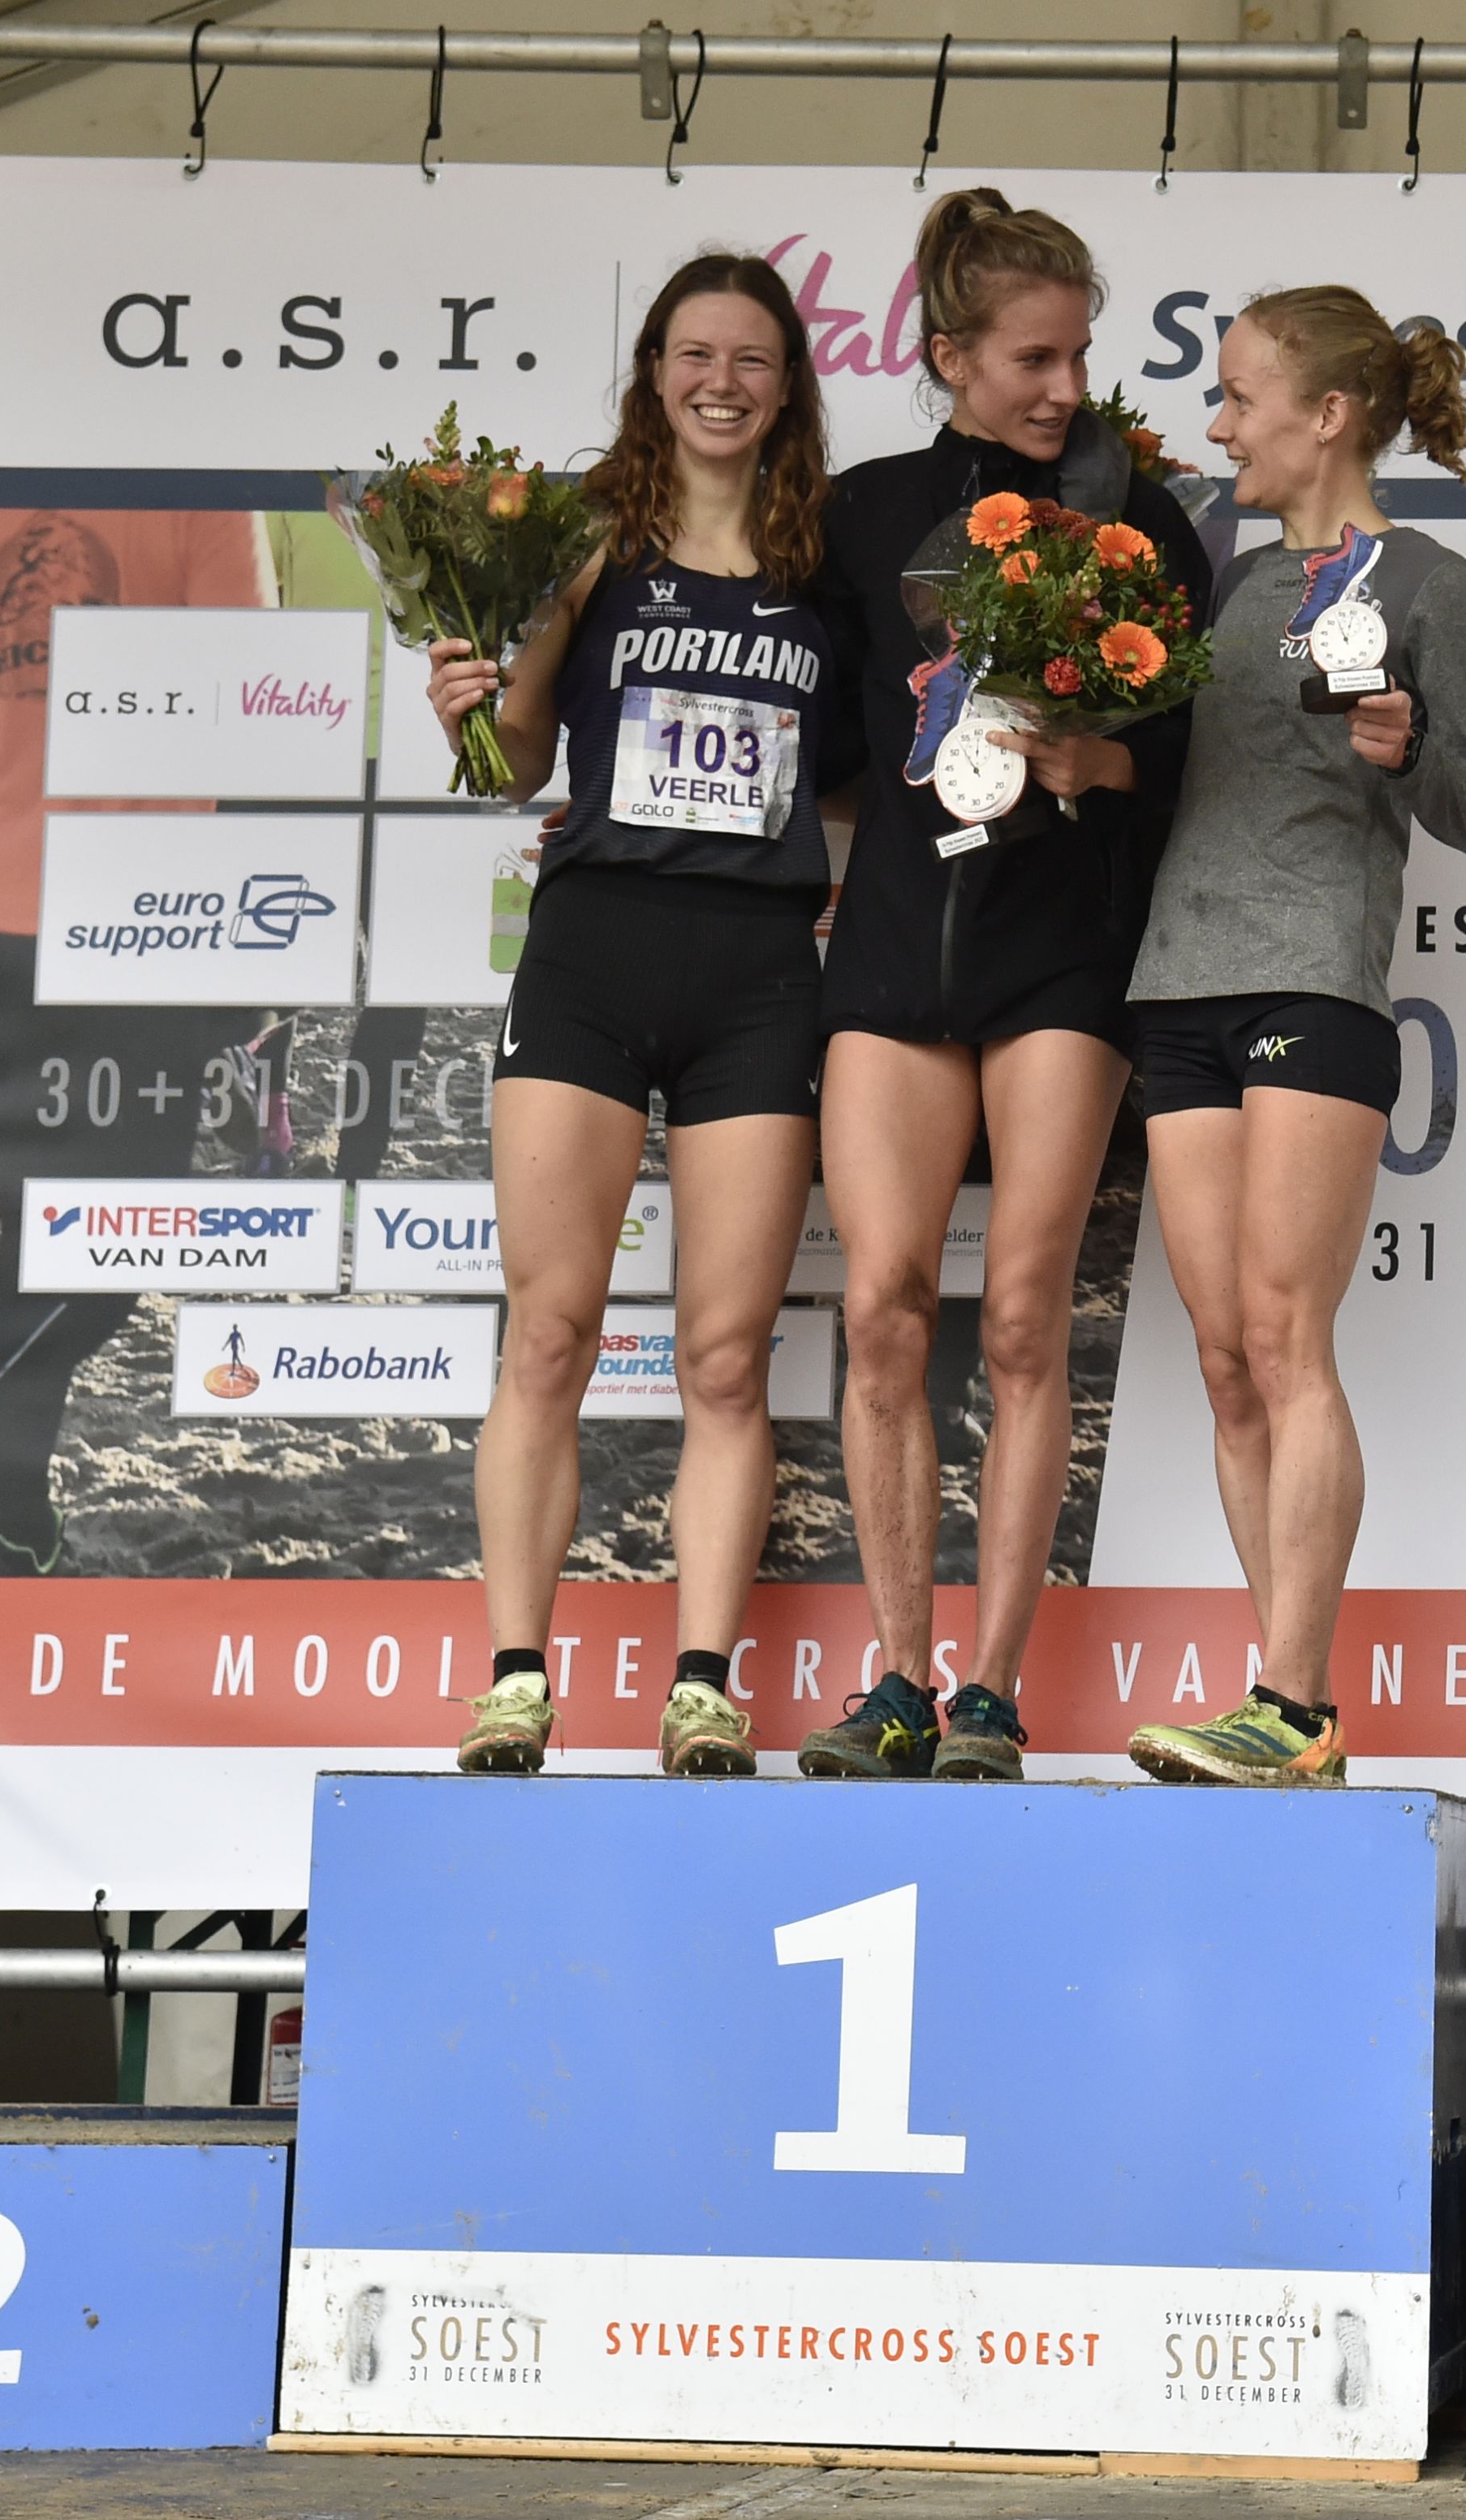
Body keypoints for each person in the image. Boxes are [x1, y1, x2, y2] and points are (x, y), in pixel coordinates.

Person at [424, 252, 863, 1779]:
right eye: (695, 354)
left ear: (788, 384)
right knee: (548, 1334)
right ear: (654, 371)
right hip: (594, 955)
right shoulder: (588, 542)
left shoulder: (828, 567)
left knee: (725, 1358)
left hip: (759, 974)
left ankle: (701, 1686)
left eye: (751, 359)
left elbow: (855, 786)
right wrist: (467, 710)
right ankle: (515, 1678)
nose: (721, 383)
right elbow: (514, 762)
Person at [798, 189, 1218, 1783]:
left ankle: (988, 1690)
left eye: (1079, 356)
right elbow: (820, 748)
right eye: (1035, 359)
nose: (1065, 389)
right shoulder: (864, 514)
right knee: (884, 1307)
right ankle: (898, 1676)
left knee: (1029, 1312)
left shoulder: (1137, 515)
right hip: (898, 942)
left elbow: (1189, 754)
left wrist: (1100, 760)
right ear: (951, 354)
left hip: (1060, 950)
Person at [1123, 288, 1466, 1787]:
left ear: (1328, 415)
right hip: (1177, 984)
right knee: (1227, 1360)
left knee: (1289, 1338)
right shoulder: (1223, 579)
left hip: (1313, 985)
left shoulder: (1430, 582)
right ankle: (1289, 1717)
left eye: (1239, 398)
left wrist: (1402, 749)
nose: (1219, 426)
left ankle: (1289, 1699)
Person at [0, 503, 274, 1573]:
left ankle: (18, 1518)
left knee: (39, 1238)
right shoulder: (204, 491)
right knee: (101, 1253)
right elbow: (254, 710)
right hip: (137, 925)